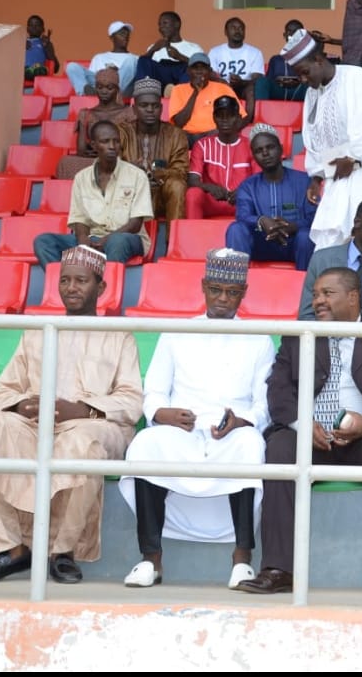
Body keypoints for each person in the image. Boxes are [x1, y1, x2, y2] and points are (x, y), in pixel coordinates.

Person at [0, 245, 143, 584]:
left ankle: (61, 551)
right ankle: (12, 548)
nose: (71, 288)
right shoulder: (40, 330)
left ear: (101, 288)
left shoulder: (118, 335)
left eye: (81, 281)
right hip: (33, 423)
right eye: (65, 280)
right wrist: (22, 404)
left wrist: (82, 409)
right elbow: (3, 391)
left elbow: (130, 401)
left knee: (82, 444)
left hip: (94, 424)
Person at [235, 268, 362, 598]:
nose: (318, 300)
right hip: (309, 434)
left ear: (353, 297)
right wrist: (303, 425)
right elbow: (278, 391)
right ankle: (277, 568)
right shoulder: (301, 335)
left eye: (327, 293)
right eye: (315, 294)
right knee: (279, 447)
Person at [119, 248, 276, 590]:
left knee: (250, 445)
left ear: (243, 294)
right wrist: (163, 414)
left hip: (231, 431)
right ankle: (150, 560)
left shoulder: (260, 338)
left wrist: (241, 421)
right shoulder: (177, 332)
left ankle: (242, 560)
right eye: (216, 289)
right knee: (146, 443)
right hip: (181, 430)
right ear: (203, 286)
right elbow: (155, 392)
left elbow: (264, 405)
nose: (223, 299)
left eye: (232, 293)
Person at [280, 28, 362, 250]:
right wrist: (316, 178)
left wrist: (352, 158)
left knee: (360, 237)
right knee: (330, 243)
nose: (303, 79)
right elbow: (312, 141)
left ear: (318, 59)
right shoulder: (312, 93)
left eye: (305, 72)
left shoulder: (356, 78)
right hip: (336, 174)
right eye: (299, 75)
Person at [34, 120, 153, 267]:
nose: (112, 146)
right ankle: (66, 284)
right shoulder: (81, 178)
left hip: (127, 238)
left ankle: (105, 286)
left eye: (116, 141)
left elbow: (135, 224)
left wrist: (107, 239)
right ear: (94, 145)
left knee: (118, 242)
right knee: (43, 242)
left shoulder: (137, 175)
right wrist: (83, 240)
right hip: (93, 238)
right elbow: (79, 219)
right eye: (105, 141)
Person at [226, 123, 315, 270]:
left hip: (294, 242)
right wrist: (262, 221)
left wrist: (293, 226)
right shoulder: (248, 186)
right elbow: (242, 215)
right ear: (253, 156)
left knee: (305, 236)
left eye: (270, 147)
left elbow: (314, 217)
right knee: (236, 229)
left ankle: (306, 289)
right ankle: (234, 288)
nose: (265, 153)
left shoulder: (305, 181)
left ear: (281, 149)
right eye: (259, 150)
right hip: (261, 243)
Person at [118, 77, 190, 221]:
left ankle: (174, 241)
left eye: (155, 106)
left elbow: (181, 172)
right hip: (128, 195)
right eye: (144, 105)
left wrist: (156, 173)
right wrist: (132, 169)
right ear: (134, 108)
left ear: (161, 108)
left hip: (162, 196)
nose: (150, 110)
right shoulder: (122, 132)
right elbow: (111, 165)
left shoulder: (175, 134)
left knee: (177, 185)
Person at [56, 66, 136, 181]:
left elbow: (132, 146)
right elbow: (81, 150)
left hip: (119, 158)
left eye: (109, 88)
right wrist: (98, 151)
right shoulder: (86, 113)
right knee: (65, 162)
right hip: (93, 160)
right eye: (99, 87)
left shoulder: (128, 112)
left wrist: (110, 152)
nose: (104, 91)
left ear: (117, 89)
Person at [185, 95, 259, 220]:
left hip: (241, 203)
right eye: (220, 116)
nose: (225, 120)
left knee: (258, 195)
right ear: (214, 118)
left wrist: (243, 191)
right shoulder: (202, 145)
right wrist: (209, 187)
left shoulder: (251, 146)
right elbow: (193, 180)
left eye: (230, 115)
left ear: (239, 118)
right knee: (193, 194)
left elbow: (259, 180)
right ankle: (192, 237)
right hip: (212, 201)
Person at [169, 53, 247, 145]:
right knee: (175, 137)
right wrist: (195, 92)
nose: (199, 71)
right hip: (187, 136)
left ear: (210, 71)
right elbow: (178, 123)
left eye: (203, 68)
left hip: (214, 134)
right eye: (195, 68)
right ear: (188, 71)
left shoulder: (223, 88)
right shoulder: (178, 89)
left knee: (217, 135)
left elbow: (240, 117)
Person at [65, 20, 138, 98]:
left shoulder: (135, 58)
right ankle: (86, 93)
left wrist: (116, 73)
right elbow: (92, 79)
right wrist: (105, 74)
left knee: (131, 60)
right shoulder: (99, 57)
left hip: (121, 91)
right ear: (112, 37)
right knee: (71, 66)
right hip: (100, 87)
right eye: (121, 33)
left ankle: (113, 93)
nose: (125, 36)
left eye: (127, 34)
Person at [134, 10, 204, 90]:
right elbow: (143, 65)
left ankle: (177, 92)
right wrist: (152, 50)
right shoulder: (154, 47)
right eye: (159, 24)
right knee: (143, 59)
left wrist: (180, 57)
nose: (161, 27)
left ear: (177, 24)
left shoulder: (193, 47)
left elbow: (201, 68)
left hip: (181, 76)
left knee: (192, 67)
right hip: (160, 79)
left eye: (165, 23)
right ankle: (147, 93)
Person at [207, 16, 265, 100]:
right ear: (225, 32)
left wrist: (241, 82)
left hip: (244, 88)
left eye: (240, 28)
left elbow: (258, 80)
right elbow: (211, 75)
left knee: (251, 90)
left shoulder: (255, 52)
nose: (237, 31)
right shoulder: (215, 51)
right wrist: (223, 82)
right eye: (233, 28)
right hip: (222, 88)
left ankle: (248, 114)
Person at [256, 19, 308, 102]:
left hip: (300, 91)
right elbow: (269, 81)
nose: (293, 34)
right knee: (261, 81)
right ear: (284, 35)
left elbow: (313, 80)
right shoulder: (275, 60)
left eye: (297, 32)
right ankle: (261, 112)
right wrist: (279, 82)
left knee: (312, 87)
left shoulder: (309, 57)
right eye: (289, 31)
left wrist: (300, 80)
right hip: (279, 91)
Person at [23, 14, 58, 80]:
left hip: (38, 77)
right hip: (20, 79)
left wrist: (47, 47)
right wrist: (21, 45)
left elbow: (56, 68)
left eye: (37, 25)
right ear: (27, 29)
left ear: (43, 29)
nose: (34, 27)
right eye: (31, 25)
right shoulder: (21, 42)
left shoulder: (46, 43)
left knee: (38, 70)